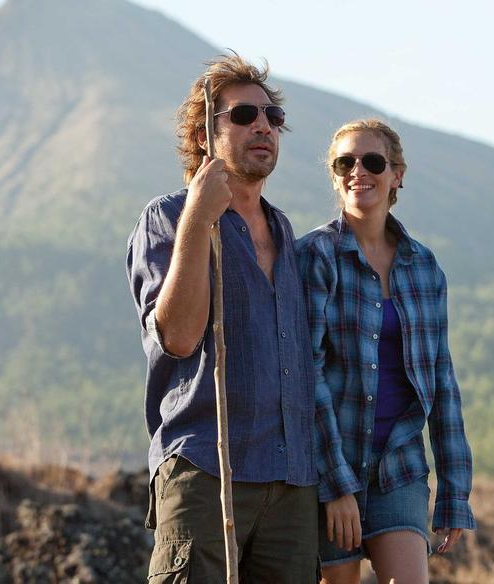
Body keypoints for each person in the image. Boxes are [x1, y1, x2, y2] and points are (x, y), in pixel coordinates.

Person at [126, 54, 319, 582]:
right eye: (243, 115)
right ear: (203, 134)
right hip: (206, 469)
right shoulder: (167, 217)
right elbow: (178, 337)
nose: (263, 126)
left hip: (292, 483)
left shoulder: (285, 232)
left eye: (272, 117)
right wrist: (198, 215)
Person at [296, 119, 476, 584]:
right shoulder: (315, 257)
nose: (358, 171)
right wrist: (336, 485)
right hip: (330, 465)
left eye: (372, 162)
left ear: (397, 175)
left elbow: (441, 380)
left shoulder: (424, 266)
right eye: (345, 163)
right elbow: (307, 375)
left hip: (400, 468)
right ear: (335, 176)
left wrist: (455, 491)